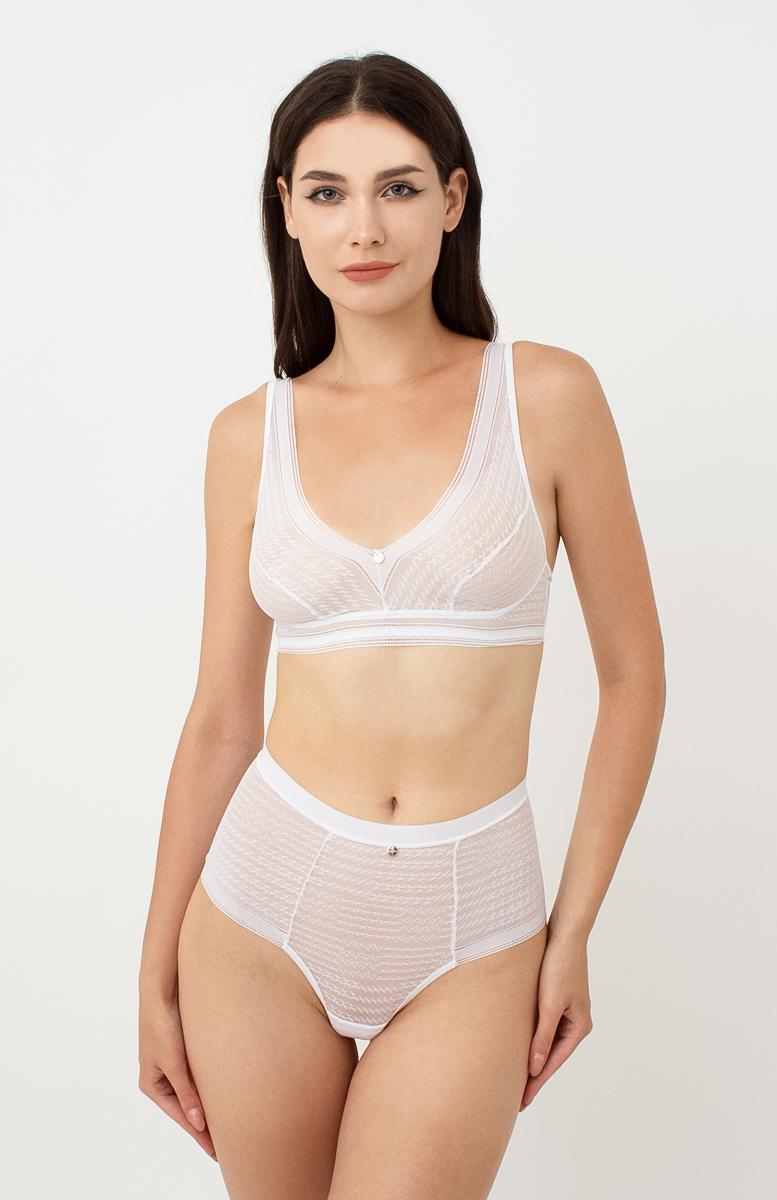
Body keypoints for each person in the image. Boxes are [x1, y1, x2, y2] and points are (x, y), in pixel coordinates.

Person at [138, 51, 666, 1200]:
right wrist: (154, 970)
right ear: (286, 210)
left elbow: (632, 678)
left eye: (398, 186)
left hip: (472, 921)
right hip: (259, 914)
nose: (362, 227)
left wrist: (572, 929)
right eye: (326, 192)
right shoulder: (248, 436)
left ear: (453, 199)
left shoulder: (545, 399)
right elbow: (221, 717)